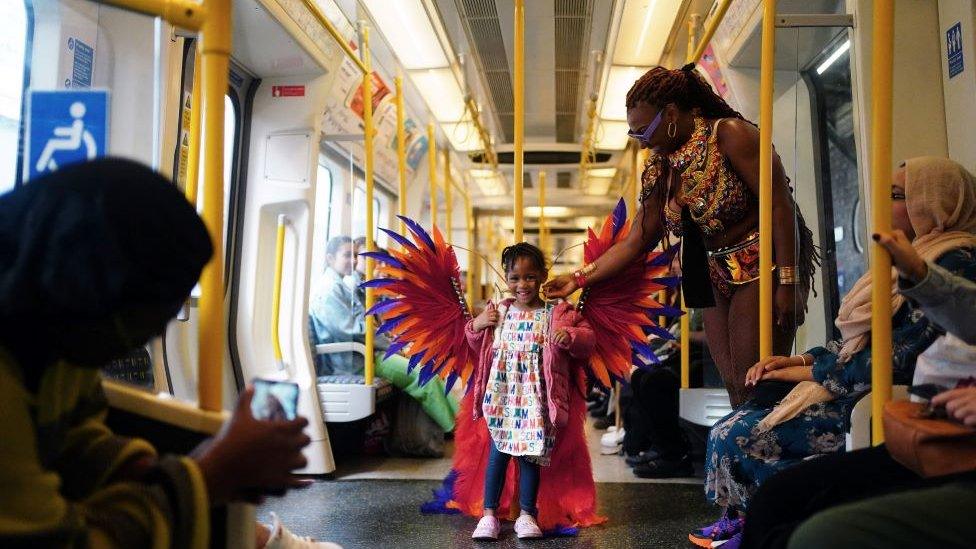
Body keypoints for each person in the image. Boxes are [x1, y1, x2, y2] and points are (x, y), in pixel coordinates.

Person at [0, 158, 338, 548]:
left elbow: (78, 446)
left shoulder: (55, 339)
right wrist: (210, 475)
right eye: (145, 317)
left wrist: (197, 466)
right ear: (92, 290)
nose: (155, 333)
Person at [695, 157, 976, 548]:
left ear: (932, 203)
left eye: (896, 195)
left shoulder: (954, 262)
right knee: (751, 403)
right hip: (851, 379)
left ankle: (760, 519)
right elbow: (854, 343)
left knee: (737, 434)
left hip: (874, 392)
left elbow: (896, 356)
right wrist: (799, 360)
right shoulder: (904, 262)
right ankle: (747, 515)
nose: (884, 204)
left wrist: (806, 374)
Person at [544, 64, 818, 408]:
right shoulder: (662, 168)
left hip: (761, 264)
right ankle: (743, 453)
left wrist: (789, 283)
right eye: (635, 136)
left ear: (671, 114)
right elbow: (636, 240)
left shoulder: (731, 135)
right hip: (709, 275)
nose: (642, 143)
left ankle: (766, 453)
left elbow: (780, 206)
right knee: (734, 382)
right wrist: (577, 277)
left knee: (756, 379)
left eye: (644, 131)